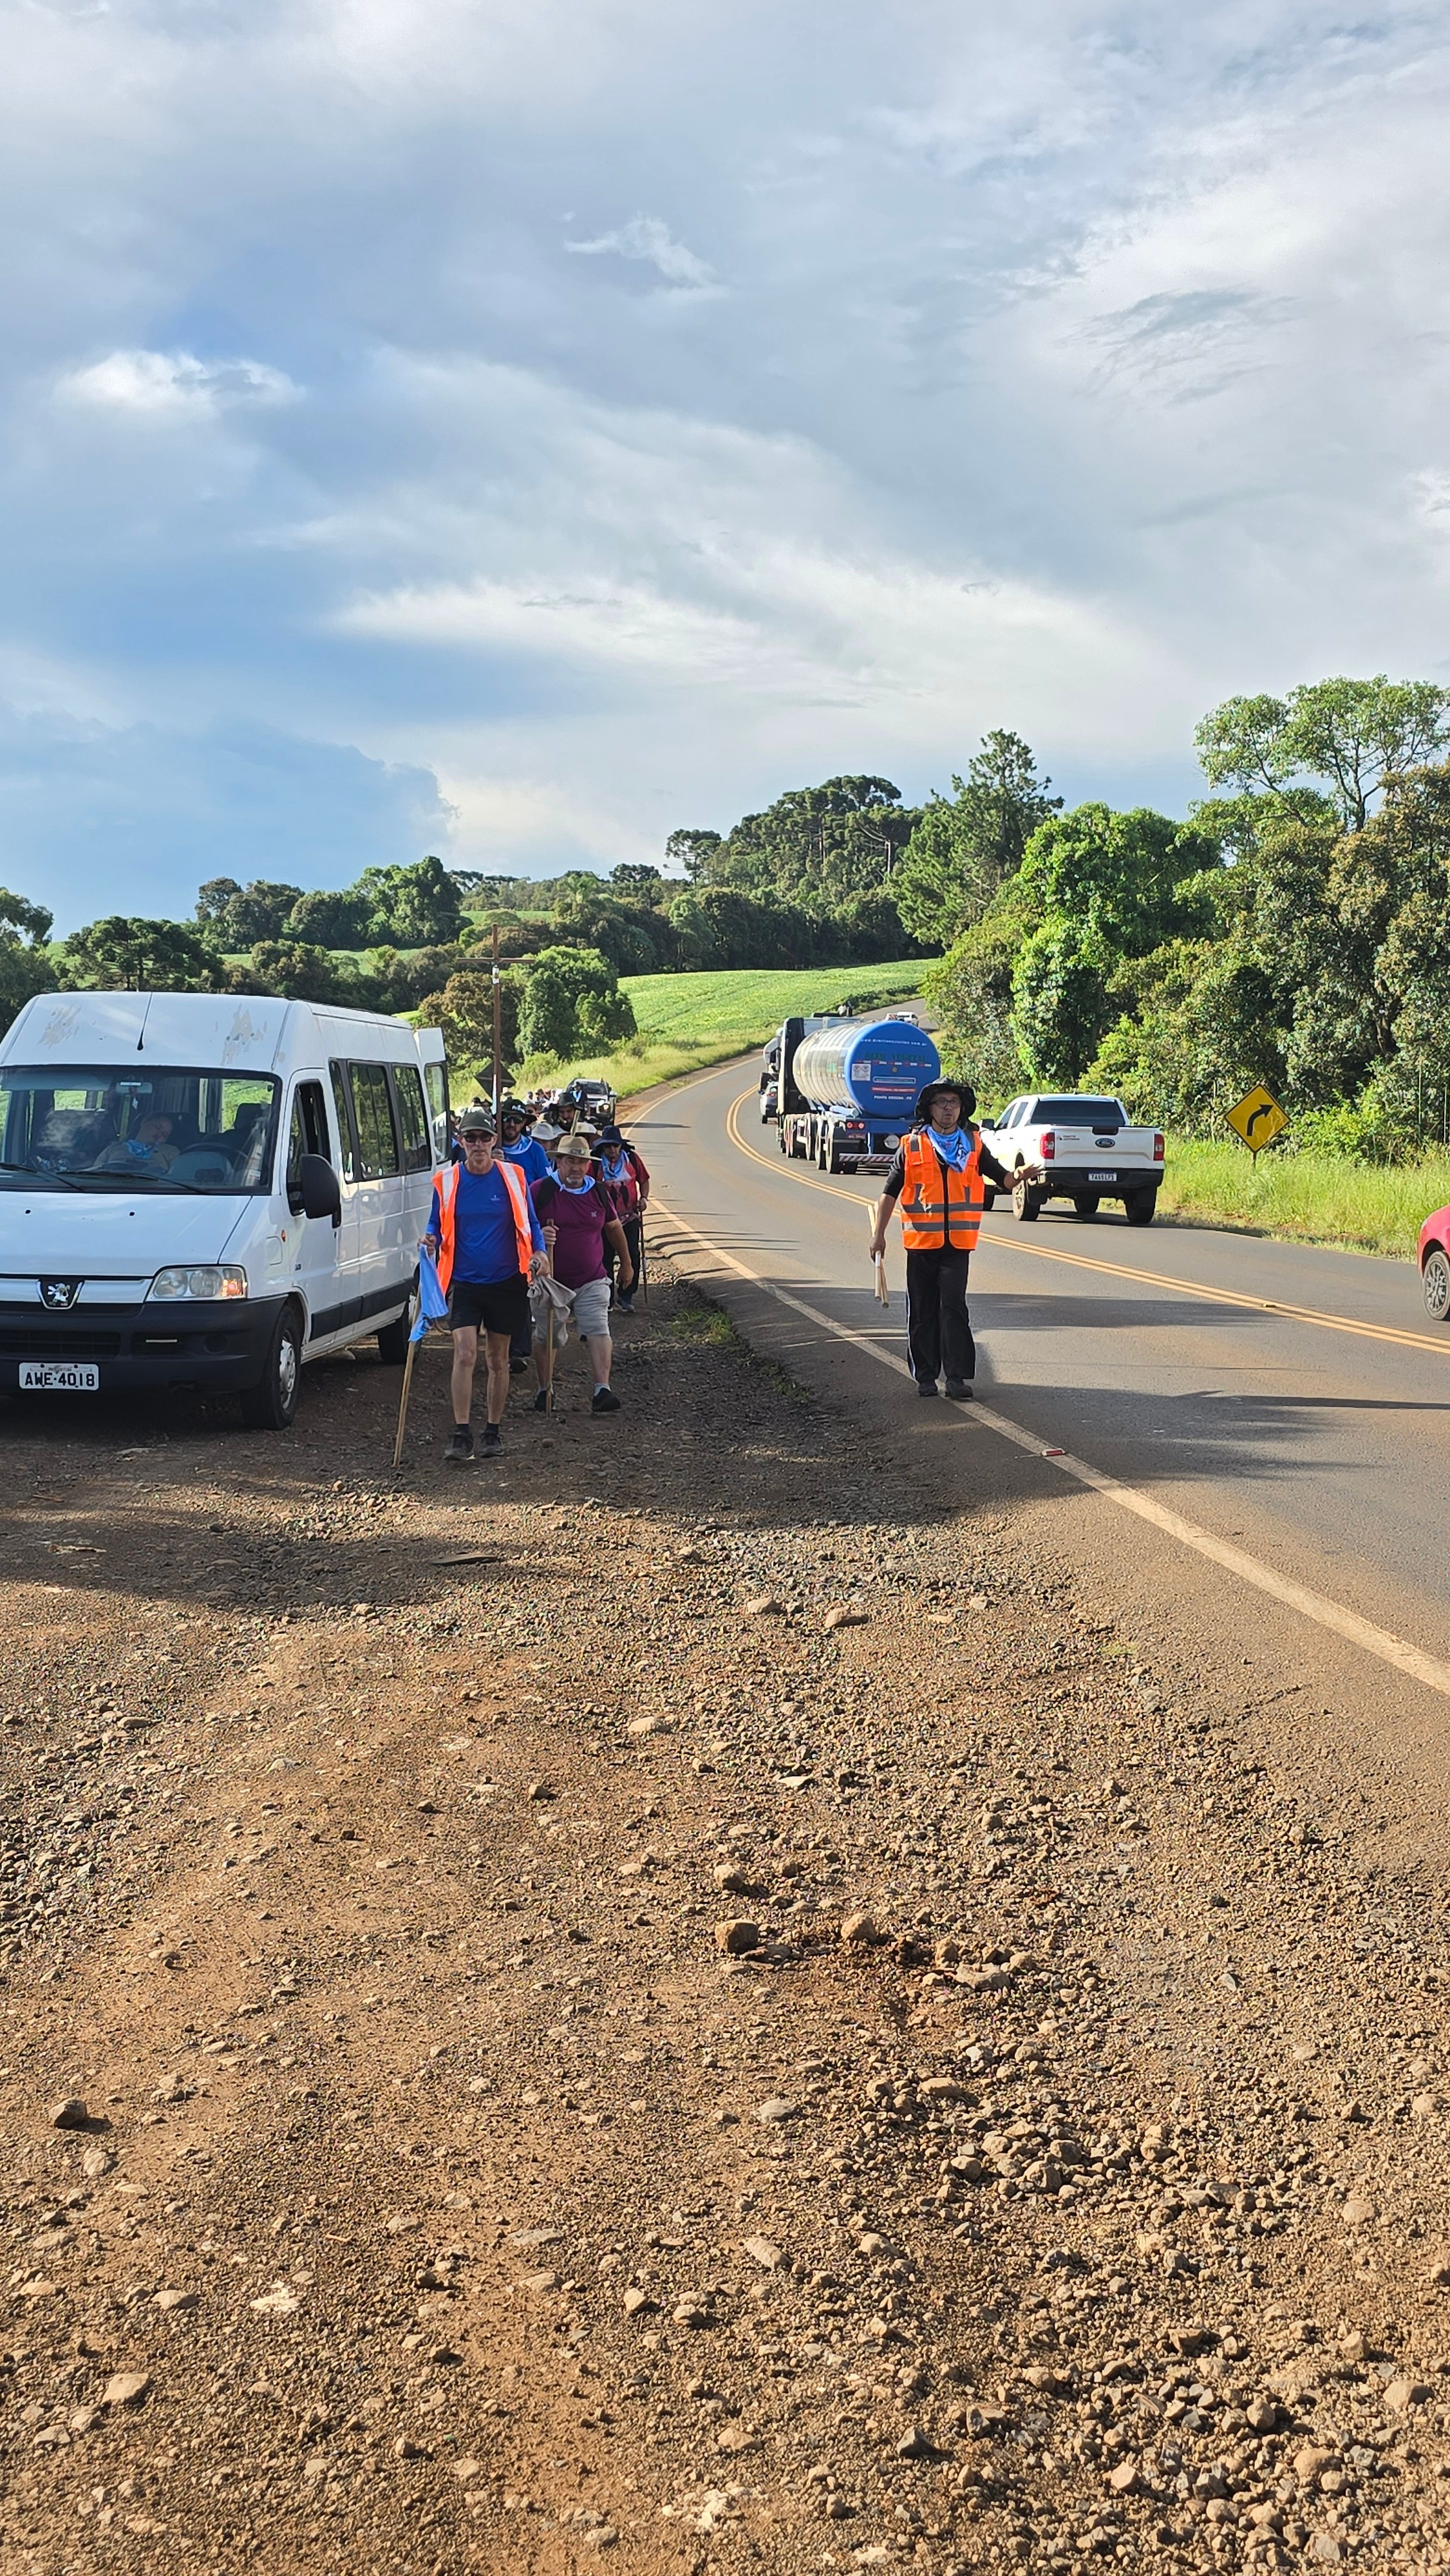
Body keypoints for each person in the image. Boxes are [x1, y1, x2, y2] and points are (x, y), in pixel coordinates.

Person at [867, 1079, 1009, 1401]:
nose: (948, 1108)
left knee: (954, 1309)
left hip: (957, 1246)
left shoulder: (974, 1145)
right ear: (929, 1109)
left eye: (954, 1103)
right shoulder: (912, 1145)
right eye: (942, 1102)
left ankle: (956, 1378)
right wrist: (878, 1236)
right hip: (920, 1246)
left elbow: (1003, 1177)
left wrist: (1020, 1177)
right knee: (922, 1311)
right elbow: (890, 1192)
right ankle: (926, 1377)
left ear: (962, 1110)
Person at [422, 1108, 548, 1464]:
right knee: (464, 1353)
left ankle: (492, 1431)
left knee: (498, 1359)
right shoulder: (447, 1181)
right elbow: (436, 1223)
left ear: (494, 1141)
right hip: (464, 1281)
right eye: (470, 1138)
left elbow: (530, 1220)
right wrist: (430, 1239)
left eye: (484, 1138)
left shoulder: (513, 1177)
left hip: (507, 1280)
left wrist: (540, 1251)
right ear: (460, 1143)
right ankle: (462, 1433)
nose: (478, 1144)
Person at [530, 1132, 634, 1414]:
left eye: (581, 1162)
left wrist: (626, 1263)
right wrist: (539, 1236)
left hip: (592, 1277)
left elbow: (613, 1228)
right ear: (559, 1162)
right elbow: (520, 1228)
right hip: (550, 1281)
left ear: (588, 1165)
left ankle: (603, 1389)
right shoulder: (541, 1191)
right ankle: (545, 1389)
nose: (575, 1167)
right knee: (548, 1336)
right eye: (569, 1161)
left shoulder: (598, 1192)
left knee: (599, 1328)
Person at [496, 1098, 554, 1375]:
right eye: (506, 1118)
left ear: (524, 1124)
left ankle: (517, 1349)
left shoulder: (535, 1152)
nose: (511, 1124)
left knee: (520, 1289)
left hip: (524, 1231)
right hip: (493, 1229)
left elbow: (545, 1190)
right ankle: (497, 1348)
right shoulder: (488, 1150)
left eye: (516, 1120)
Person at [596, 1124, 650, 1313]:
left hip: (630, 1218)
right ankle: (608, 1298)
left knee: (633, 1256)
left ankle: (626, 1295)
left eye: (615, 1146)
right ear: (602, 1147)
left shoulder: (632, 1160)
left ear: (621, 1146)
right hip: (605, 1221)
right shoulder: (595, 1164)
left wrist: (643, 1199)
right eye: (608, 1146)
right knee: (605, 1258)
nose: (612, 1150)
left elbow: (644, 1180)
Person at [92, 1111, 177, 1176]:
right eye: (158, 1127)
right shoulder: (113, 1148)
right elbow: (95, 1173)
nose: (159, 1134)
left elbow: (177, 1176)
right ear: (144, 1122)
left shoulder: (171, 1152)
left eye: (165, 1135)